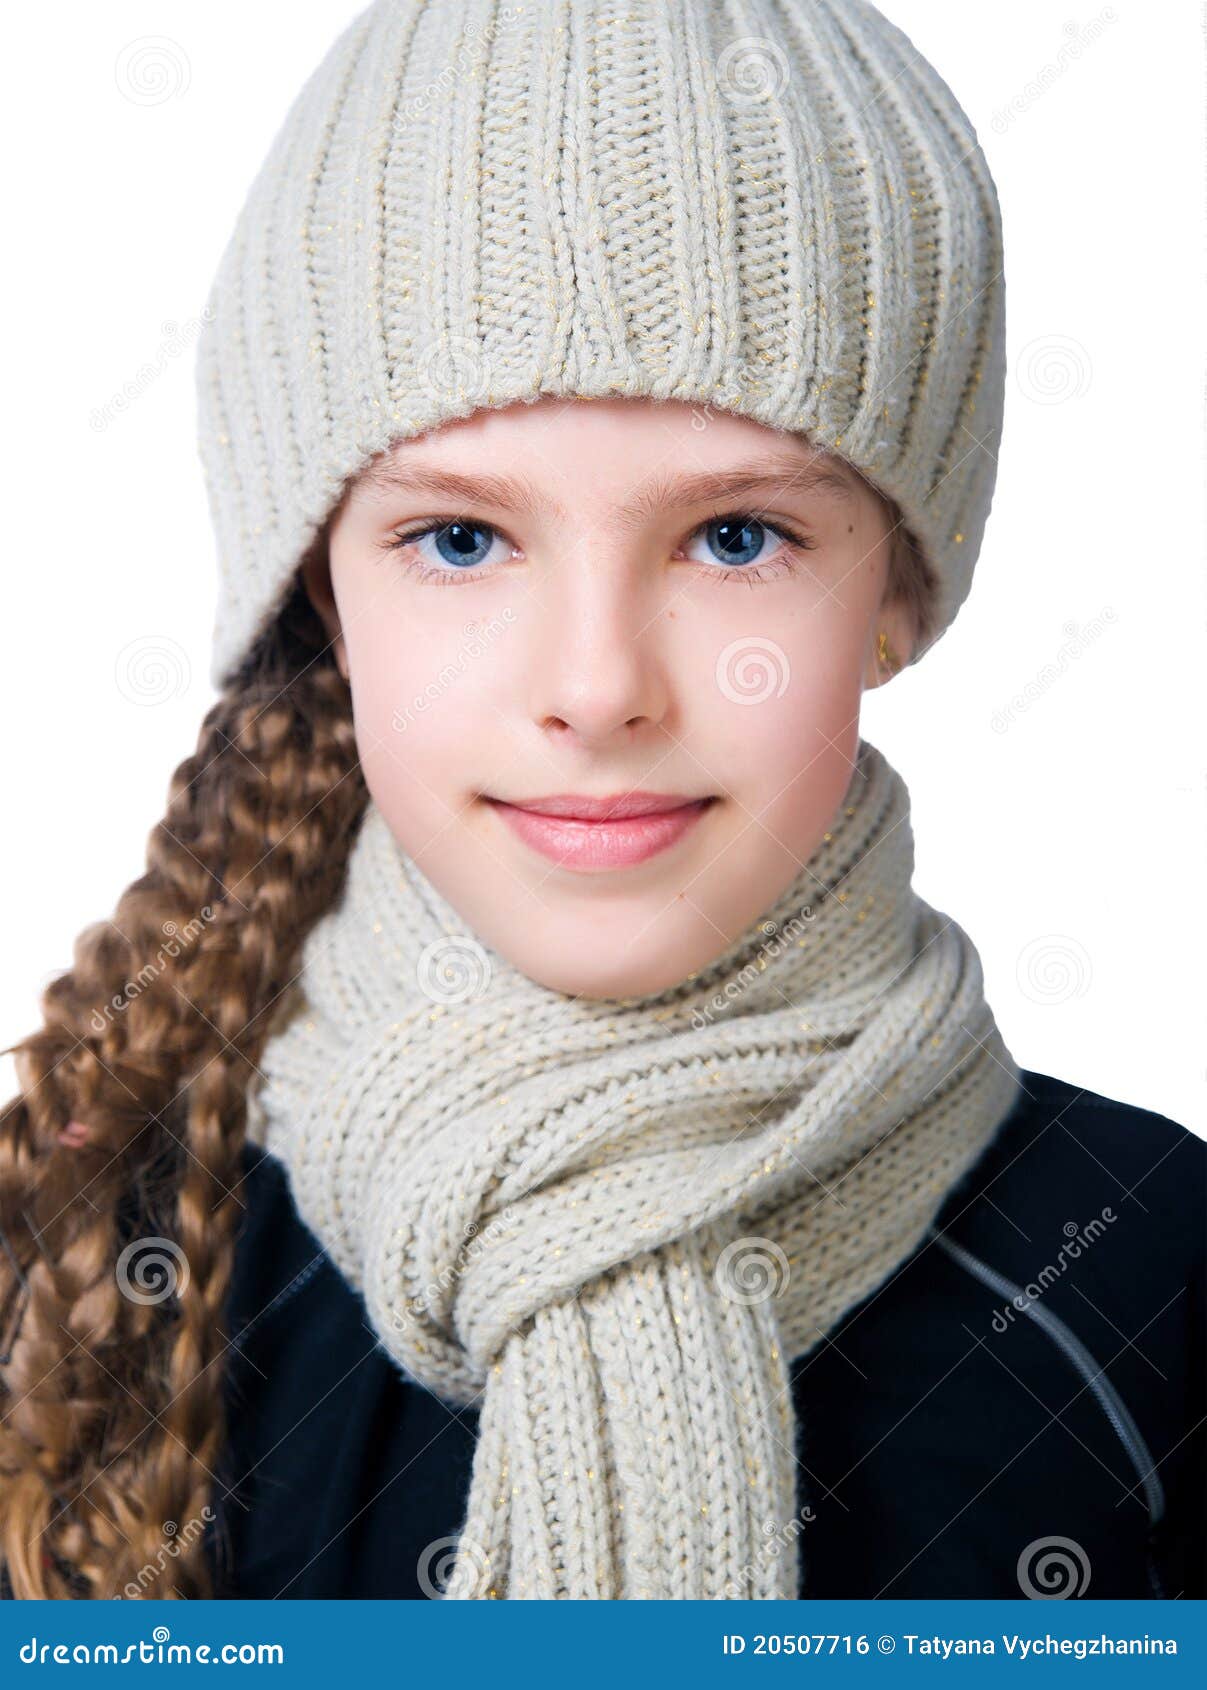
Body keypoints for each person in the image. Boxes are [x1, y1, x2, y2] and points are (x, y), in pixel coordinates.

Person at [1, 0, 1202, 1603]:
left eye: (735, 538)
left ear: (899, 591)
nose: (596, 684)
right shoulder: (81, 1275)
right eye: (460, 540)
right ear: (321, 599)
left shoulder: (1145, 1272)